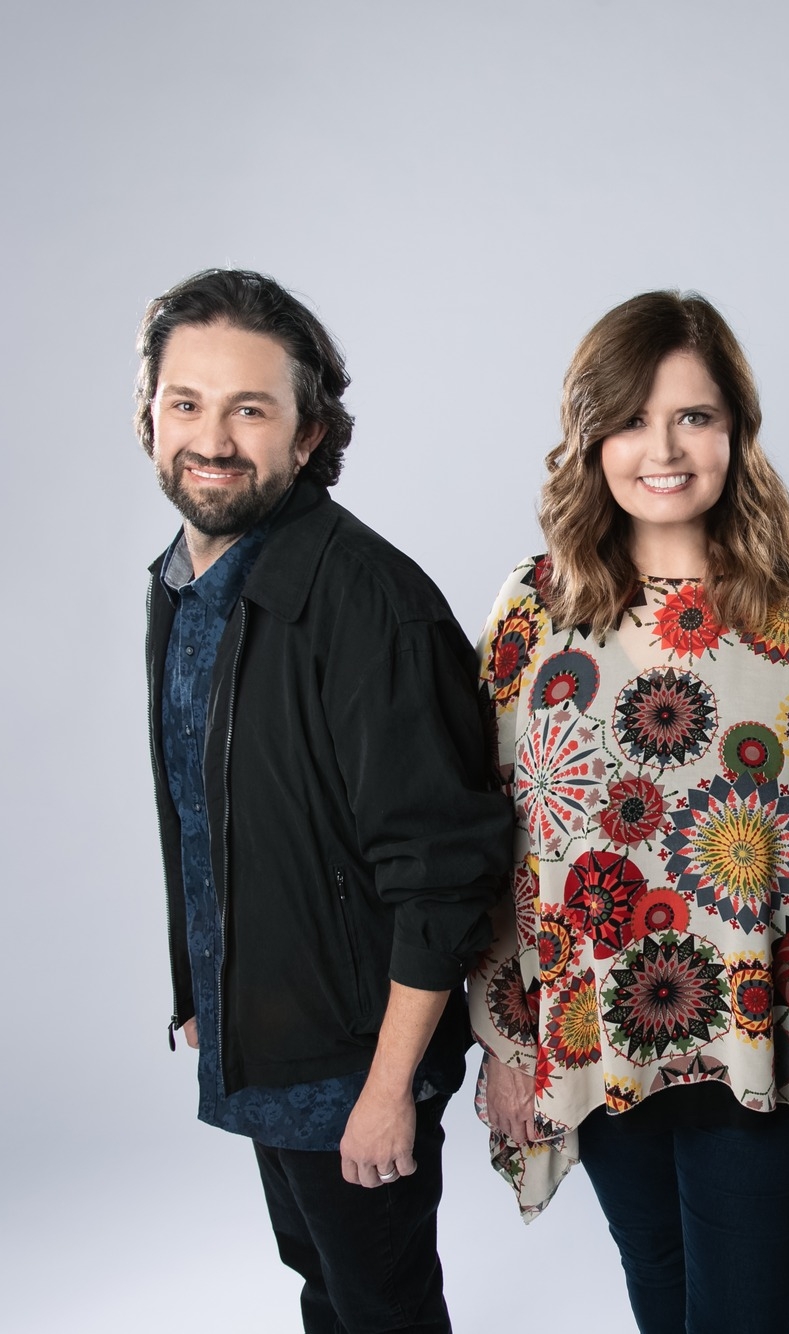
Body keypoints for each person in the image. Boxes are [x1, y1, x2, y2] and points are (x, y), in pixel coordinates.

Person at [468, 291, 789, 1334]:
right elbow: (495, 843)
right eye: (630, 419)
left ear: (737, 428)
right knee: (659, 1296)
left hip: (764, 1035)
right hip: (595, 1034)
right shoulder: (533, 609)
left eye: (694, 416)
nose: (663, 449)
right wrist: (508, 1040)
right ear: (589, 436)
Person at [137, 268, 511, 1333]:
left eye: (250, 409)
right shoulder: (181, 584)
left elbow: (442, 868)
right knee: (321, 1286)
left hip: (357, 1058)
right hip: (264, 1034)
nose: (212, 438)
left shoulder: (368, 601)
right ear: (149, 416)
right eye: (185, 403)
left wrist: (389, 1088)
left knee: (383, 1308)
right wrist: (204, 991)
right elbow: (207, 814)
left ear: (306, 436)